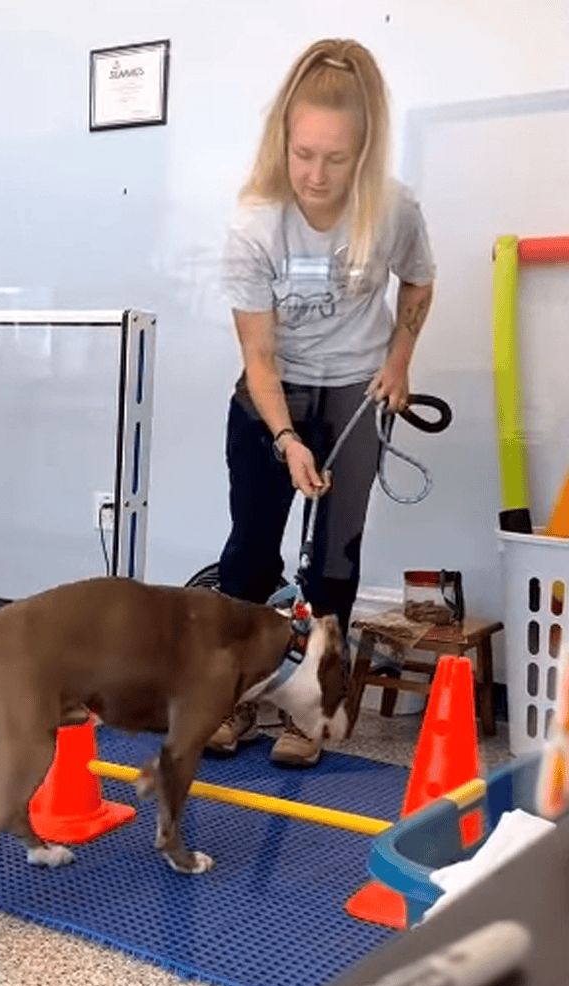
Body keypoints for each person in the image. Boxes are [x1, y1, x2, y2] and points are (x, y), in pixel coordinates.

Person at [209, 38, 435, 765]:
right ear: (284, 141)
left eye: (335, 159)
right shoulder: (255, 222)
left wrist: (399, 358)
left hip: (355, 391)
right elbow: (260, 357)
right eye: (303, 153)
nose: (315, 174)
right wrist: (285, 439)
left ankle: (315, 711)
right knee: (250, 551)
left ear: (363, 152)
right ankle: (232, 701)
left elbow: (420, 281)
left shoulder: (394, 208)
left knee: (333, 558)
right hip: (275, 392)